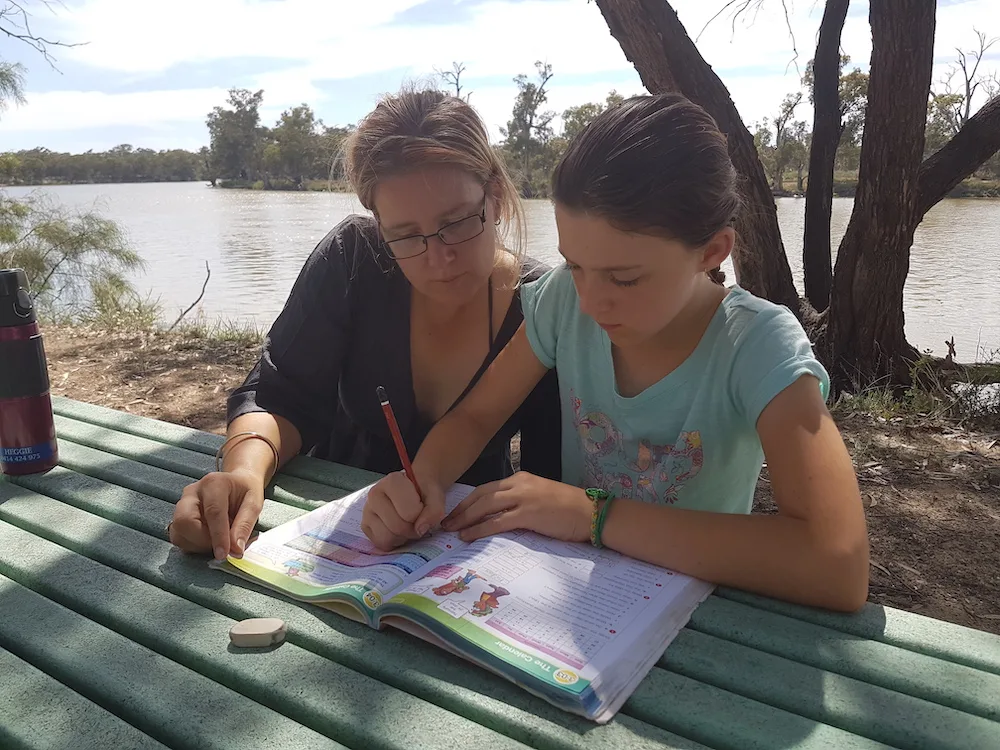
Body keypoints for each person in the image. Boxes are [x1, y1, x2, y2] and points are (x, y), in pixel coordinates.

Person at [363, 93, 870, 613]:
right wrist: (422, 481)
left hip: (697, 616)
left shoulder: (757, 347)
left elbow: (837, 562)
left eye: (624, 278)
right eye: (575, 265)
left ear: (712, 252)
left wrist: (593, 516)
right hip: (579, 605)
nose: (589, 300)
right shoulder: (564, 301)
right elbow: (474, 417)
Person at [168, 89, 562, 561]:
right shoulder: (353, 258)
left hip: (463, 548)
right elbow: (281, 394)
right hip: (322, 528)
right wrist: (245, 473)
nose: (439, 259)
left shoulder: (545, 307)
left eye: (457, 222)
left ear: (494, 195)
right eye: (406, 235)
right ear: (380, 224)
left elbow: (550, 473)